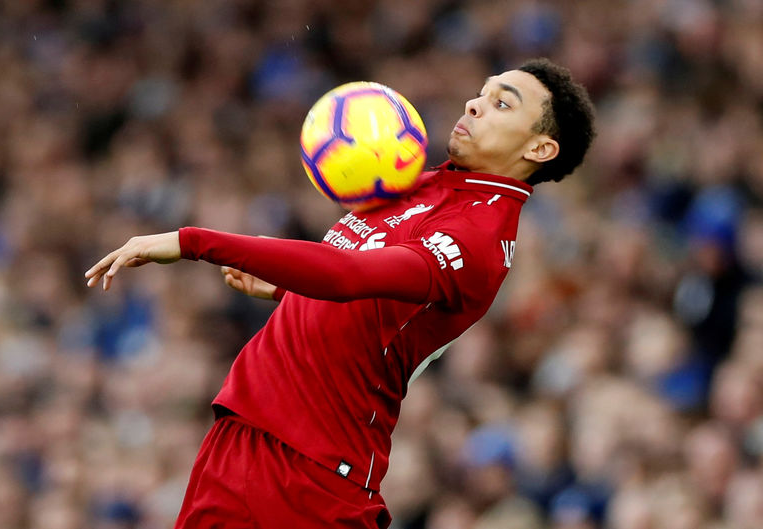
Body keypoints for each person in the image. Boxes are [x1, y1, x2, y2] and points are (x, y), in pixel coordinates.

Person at [85, 57, 595, 529]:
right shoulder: (418, 179)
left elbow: (348, 276)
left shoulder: (479, 237)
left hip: (315, 473)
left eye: (502, 103)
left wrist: (194, 242)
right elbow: (369, 303)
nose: (474, 104)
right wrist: (290, 293)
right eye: (481, 93)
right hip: (243, 432)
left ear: (539, 148)